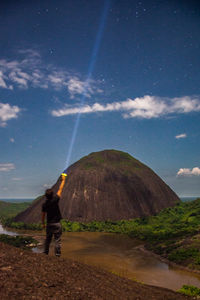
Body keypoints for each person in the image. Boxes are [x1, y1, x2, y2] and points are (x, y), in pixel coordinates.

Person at [41, 173, 67, 257]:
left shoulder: (44, 204)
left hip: (49, 224)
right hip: (57, 224)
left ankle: (45, 253)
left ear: (46, 196)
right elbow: (60, 189)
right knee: (57, 240)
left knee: (48, 240)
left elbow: (43, 215)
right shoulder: (55, 199)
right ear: (52, 195)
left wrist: (43, 224)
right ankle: (57, 255)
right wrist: (63, 180)